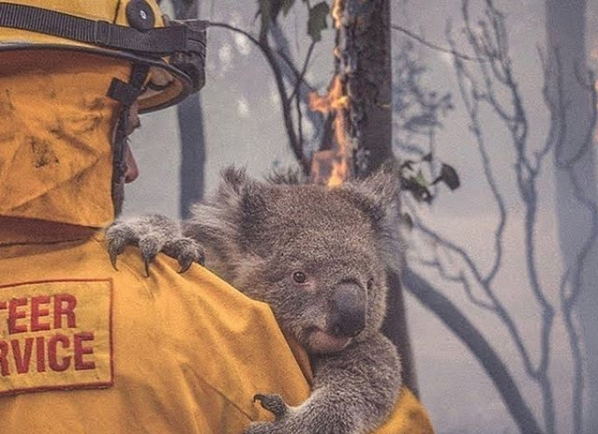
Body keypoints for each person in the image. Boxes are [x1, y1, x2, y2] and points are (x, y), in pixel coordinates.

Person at [0, 1, 434, 432]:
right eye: (124, 130)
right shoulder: (211, 327)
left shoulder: (168, 277)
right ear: (65, 117)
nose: (132, 169)